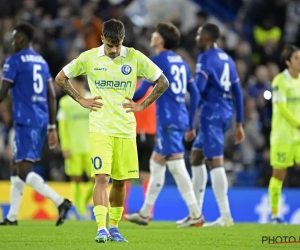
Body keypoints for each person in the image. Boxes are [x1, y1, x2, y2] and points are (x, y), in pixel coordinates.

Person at [55, 19, 169, 243]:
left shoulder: (135, 57)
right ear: (102, 39)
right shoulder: (88, 58)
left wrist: (141, 105)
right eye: (110, 46)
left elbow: (162, 82)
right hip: (100, 128)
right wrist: (80, 99)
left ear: (123, 40)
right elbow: (60, 78)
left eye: (117, 46)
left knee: (119, 182)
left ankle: (114, 228)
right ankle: (100, 229)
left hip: (126, 130)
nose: (114, 50)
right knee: (102, 178)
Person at [124, 22, 203, 227]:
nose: (152, 35)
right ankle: (144, 213)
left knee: (176, 166)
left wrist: (124, 100)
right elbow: (194, 93)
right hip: (179, 117)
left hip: (168, 119)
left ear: (161, 40)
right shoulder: (181, 62)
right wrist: (191, 121)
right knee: (156, 164)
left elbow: (143, 91)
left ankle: (196, 214)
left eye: (155, 34)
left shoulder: (157, 61)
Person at [0, 22, 72, 226]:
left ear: (21, 39)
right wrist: (51, 126)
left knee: (23, 169)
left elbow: (3, 93)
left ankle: (60, 201)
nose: (13, 42)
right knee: (16, 165)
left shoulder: (14, 61)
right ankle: (12, 217)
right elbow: (51, 95)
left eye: (14, 38)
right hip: (40, 120)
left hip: (25, 120)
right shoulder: (41, 62)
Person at [177, 23, 244, 227]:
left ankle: (225, 216)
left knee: (215, 162)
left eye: (198, 34)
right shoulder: (228, 59)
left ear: (206, 37)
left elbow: (198, 91)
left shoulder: (205, 58)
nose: (196, 37)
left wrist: (190, 123)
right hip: (225, 113)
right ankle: (196, 213)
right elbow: (238, 92)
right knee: (196, 157)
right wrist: (239, 123)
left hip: (211, 114)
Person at [268, 45, 300, 224]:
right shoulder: (280, 81)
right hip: (283, 136)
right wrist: (298, 124)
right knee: (279, 174)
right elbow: (282, 107)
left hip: (299, 137)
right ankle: (274, 215)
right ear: (288, 62)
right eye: (296, 58)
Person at [57, 76, 94, 217]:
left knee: (96, 178)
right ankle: (80, 210)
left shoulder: (92, 99)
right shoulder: (65, 102)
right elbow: (62, 126)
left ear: (81, 82)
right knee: (76, 178)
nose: (70, 85)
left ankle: (83, 203)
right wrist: (65, 146)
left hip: (91, 145)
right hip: (73, 147)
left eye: (72, 82)